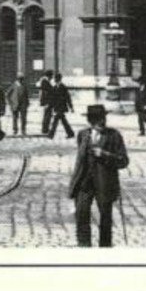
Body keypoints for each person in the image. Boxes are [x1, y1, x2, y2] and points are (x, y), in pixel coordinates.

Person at [69, 103, 129, 248]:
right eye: (97, 119)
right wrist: (73, 186)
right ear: (90, 121)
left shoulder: (114, 135)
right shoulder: (82, 135)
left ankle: (105, 247)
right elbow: (80, 160)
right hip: (84, 182)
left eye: (103, 118)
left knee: (105, 219)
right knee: (81, 215)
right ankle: (84, 246)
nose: (101, 122)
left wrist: (105, 154)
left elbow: (124, 161)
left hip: (105, 183)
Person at [46, 72, 75, 140]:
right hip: (57, 107)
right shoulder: (54, 87)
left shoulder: (63, 87)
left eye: (57, 78)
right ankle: (70, 133)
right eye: (56, 78)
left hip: (61, 107)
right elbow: (52, 99)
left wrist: (71, 107)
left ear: (59, 79)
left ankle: (51, 134)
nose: (56, 80)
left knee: (56, 121)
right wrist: (50, 106)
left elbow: (68, 98)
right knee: (63, 121)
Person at [37, 70, 56, 136]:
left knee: (48, 115)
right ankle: (45, 129)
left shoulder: (45, 81)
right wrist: (46, 102)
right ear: (49, 76)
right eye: (51, 76)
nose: (52, 78)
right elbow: (46, 92)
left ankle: (45, 129)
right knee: (47, 116)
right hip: (47, 102)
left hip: (48, 102)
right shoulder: (45, 82)